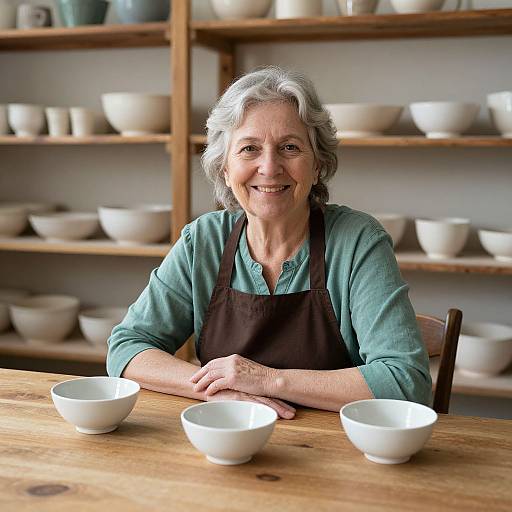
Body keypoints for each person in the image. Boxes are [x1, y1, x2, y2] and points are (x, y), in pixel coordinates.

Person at [107, 66, 432, 419]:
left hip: (338, 451)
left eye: (289, 147)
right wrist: (219, 391)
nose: (269, 166)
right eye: (249, 149)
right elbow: (127, 348)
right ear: (225, 169)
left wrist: (266, 380)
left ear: (318, 164)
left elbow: (405, 383)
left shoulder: (357, 241)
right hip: (226, 437)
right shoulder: (202, 241)